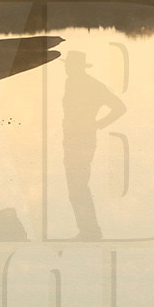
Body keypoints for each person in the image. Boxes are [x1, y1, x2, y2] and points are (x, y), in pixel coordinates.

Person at [60, 50, 125, 240]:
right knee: (75, 186)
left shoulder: (93, 85)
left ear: (78, 67)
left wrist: (97, 125)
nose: (67, 69)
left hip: (83, 140)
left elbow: (120, 107)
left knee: (78, 186)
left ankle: (90, 231)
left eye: (70, 66)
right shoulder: (70, 82)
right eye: (66, 66)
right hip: (71, 139)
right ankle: (87, 230)